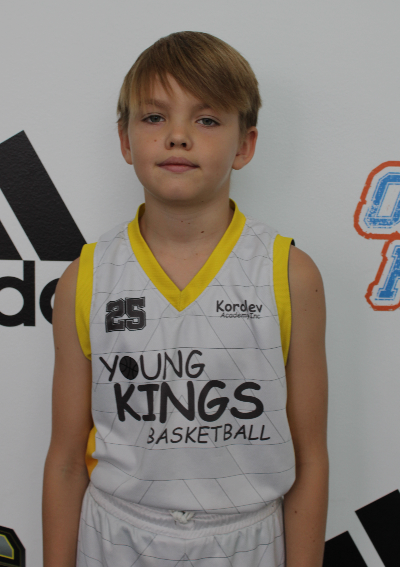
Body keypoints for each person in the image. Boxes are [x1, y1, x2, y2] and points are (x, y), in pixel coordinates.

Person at [42, 31, 328, 567]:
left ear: (244, 145)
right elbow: (64, 460)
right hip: (114, 537)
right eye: (154, 117)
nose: (177, 136)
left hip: (248, 541)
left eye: (207, 119)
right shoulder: (84, 279)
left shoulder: (290, 275)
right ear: (125, 141)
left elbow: (310, 458)